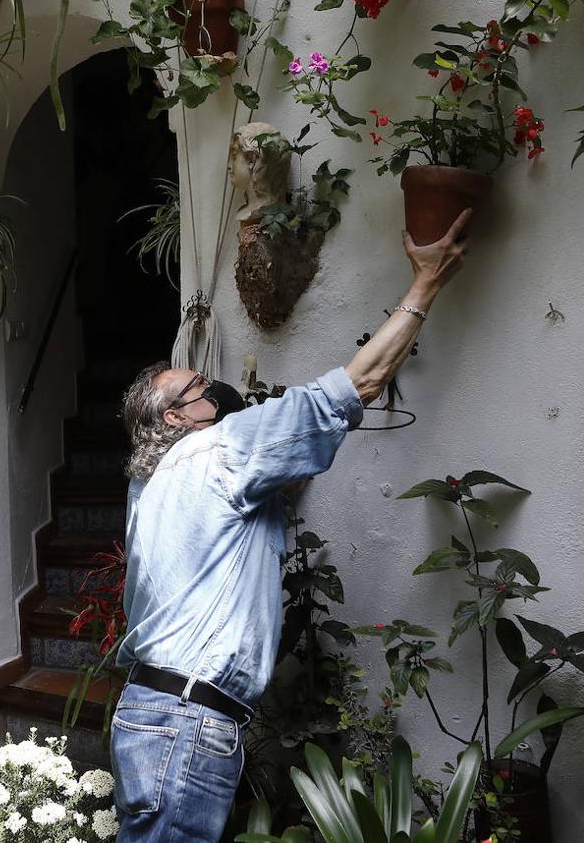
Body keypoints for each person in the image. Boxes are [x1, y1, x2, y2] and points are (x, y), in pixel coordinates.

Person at [111, 210, 472, 842]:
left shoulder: (151, 487)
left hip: (145, 716)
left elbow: (264, 497)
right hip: (184, 726)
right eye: (200, 386)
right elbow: (355, 384)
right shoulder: (218, 451)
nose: (216, 390)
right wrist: (425, 286)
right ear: (172, 419)